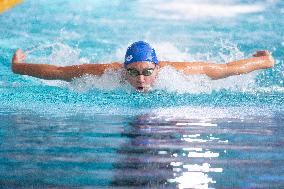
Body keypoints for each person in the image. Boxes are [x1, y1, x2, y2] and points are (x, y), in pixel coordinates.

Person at [12, 41, 274, 92]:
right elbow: (58, 72)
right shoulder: (107, 73)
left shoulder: (179, 74)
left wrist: (264, 61)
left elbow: (228, 68)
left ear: (157, 69)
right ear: (123, 70)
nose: (140, 79)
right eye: (133, 72)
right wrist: (18, 68)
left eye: (147, 72)